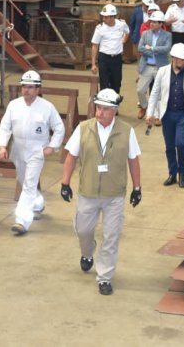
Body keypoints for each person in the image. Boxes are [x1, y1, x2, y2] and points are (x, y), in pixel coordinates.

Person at [60, 88, 142, 296]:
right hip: (88, 192)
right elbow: (70, 157)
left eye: (105, 109)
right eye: (98, 108)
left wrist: (137, 188)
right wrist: (65, 183)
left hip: (114, 194)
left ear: (115, 110)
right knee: (83, 230)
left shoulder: (126, 131)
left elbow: (133, 160)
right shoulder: (83, 128)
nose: (99, 113)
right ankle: (87, 253)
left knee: (111, 236)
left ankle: (104, 277)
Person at [0, 70, 66, 235]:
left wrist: (52, 146)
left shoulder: (47, 107)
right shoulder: (14, 105)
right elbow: (5, 126)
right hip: (18, 149)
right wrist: (2, 146)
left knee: (28, 184)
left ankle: (21, 221)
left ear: (37, 89)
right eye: (24, 87)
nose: (26, 90)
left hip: (37, 151)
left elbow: (59, 127)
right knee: (23, 180)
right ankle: (38, 203)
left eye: (30, 87)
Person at [145, 43, 184, 189]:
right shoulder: (162, 72)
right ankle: (172, 173)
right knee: (170, 146)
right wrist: (150, 113)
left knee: (181, 143)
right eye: (182, 59)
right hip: (167, 114)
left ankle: (182, 172)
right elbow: (155, 93)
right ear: (174, 59)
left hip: (183, 115)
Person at [136, 10, 171, 120]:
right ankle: (144, 106)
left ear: (161, 24)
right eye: (151, 22)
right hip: (147, 66)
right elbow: (140, 48)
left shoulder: (167, 35)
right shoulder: (146, 33)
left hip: (160, 67)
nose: (151, 24)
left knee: (159, 92)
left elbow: (166, 49)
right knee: (140, 90)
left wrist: (151, 48)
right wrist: (154, 51)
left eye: (155, 22)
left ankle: (157, 115)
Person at [91, 3, 129, 94]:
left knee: (116, 83)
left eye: (105, 17)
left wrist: (123, 41)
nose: (103, 19)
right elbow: (95, 45)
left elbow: (127, 32)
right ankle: (104, 105)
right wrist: (93, 64)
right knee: (104, 84)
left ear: (112, 17)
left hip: (117, 58)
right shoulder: (100, 28)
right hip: (104, 58)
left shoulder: (122, 24)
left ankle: (114, 106)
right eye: (103, 17)